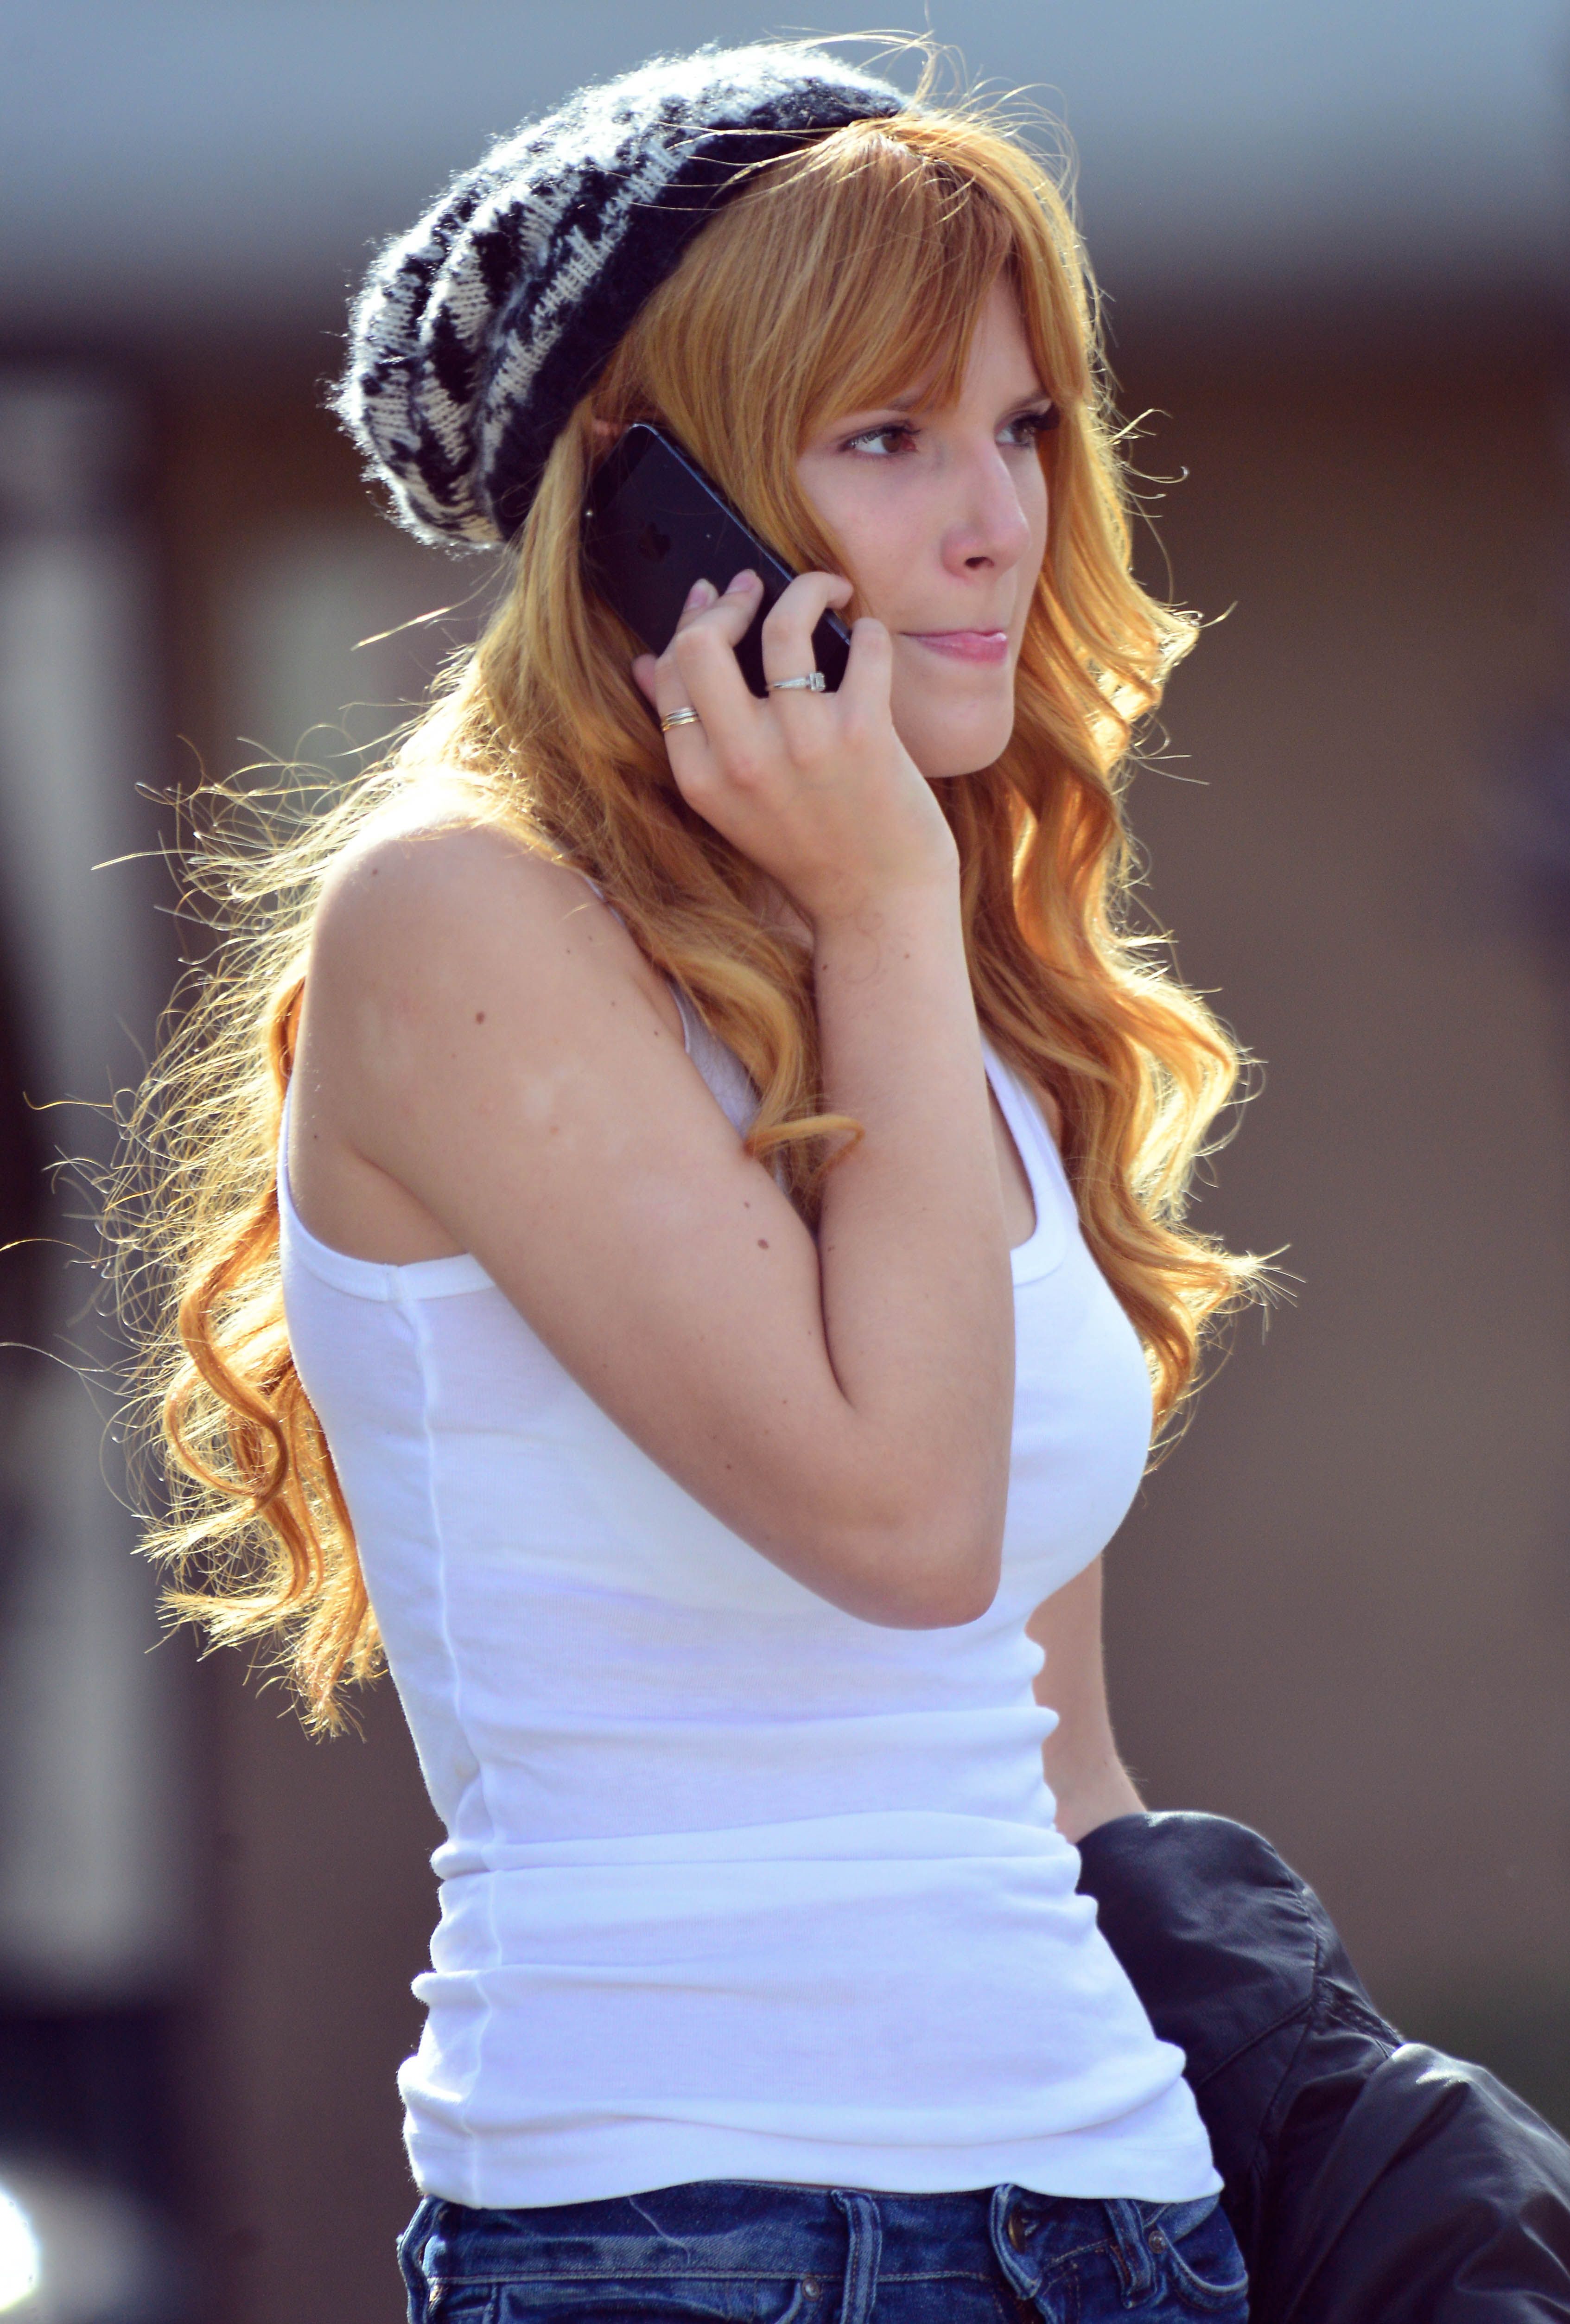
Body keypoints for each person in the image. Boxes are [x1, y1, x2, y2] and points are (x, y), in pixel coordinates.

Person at [121, 43, 1272, 2323]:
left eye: (1024, 426)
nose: (996, 520)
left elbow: (1050, 1747)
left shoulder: (945, 991)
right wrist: (880, 904)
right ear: (649, 513)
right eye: (886, 439)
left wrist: (1309, 2088)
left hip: (1121, 2212)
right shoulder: (461, 927)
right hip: (693, 2231)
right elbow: (901, 1529)